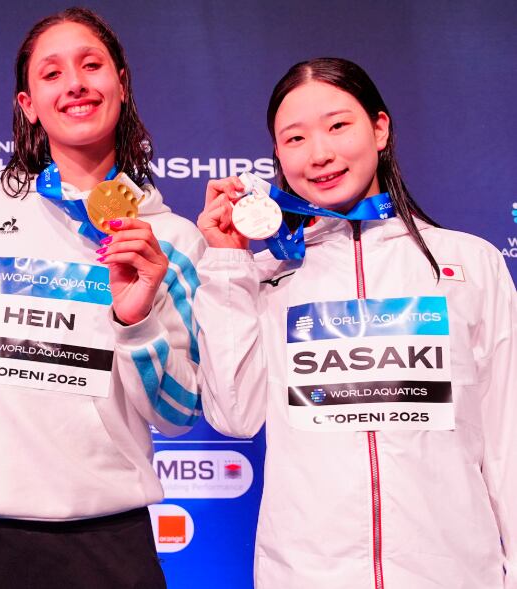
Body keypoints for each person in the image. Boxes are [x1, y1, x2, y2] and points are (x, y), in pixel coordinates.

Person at [195, 57, 516, 588]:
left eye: (338, 125)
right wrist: (228, 264)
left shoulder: (469, 263)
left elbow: (507, 438)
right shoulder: (266, 275)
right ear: (278, 154)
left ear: (380, 128)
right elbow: (234, 416)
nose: (319, 154)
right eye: (294, 138)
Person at [0, 7, 204, 588]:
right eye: (51, 73)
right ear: (29, 104)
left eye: (91, 65)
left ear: (120, 82)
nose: (74, 83)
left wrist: (135, 318)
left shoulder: (169, 238)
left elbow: (175, 414)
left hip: (104, 533)